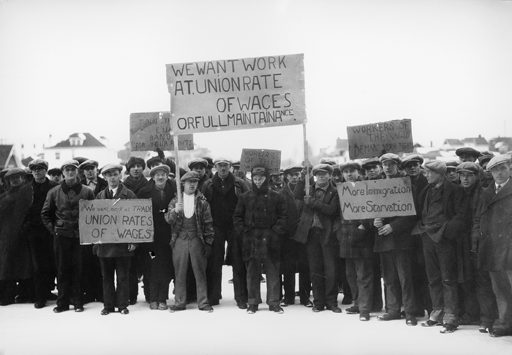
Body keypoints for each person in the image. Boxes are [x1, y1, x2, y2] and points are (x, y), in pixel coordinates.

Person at [417, 160, 471, 333]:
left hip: (444, 239)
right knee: (433, 278)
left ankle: (450, 317)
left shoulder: (455, 191)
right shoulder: (426, 190)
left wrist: (445, 233)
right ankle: (437, 313)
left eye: (428, 172)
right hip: (427, 237)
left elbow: (461, 217)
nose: (425, 175)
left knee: (448, 279)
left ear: (439, 174)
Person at [41, 160, 95, 313]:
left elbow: (94, 213)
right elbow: (45, 214)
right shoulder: (54, 192)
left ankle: (78, 301)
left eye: (73, 170)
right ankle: (62, 303)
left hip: (80, 236)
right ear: (63, 173)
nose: (70, 173)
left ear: (77, 172)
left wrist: (88, 231)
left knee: (78, 268)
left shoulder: (87, 191)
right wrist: (54, 229)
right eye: (67, 170)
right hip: (61, 236)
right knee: (62, 269)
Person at [233, 166, 287, 314]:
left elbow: (283, 216)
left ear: (266, 179)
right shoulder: (245, 197)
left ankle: (274, 302)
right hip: (251, 239)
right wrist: (244, 232)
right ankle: (253, 302)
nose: (257, 182)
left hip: (271, 239)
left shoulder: (277, 196)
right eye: (255, 179)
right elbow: (237, 217)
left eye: (261, 179)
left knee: (273, 272)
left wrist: (276, 232)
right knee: (252, 272)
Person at [374, 153, 418, 326]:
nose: (387, 167)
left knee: (405, 277)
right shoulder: (375, 185)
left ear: (397, 166)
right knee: (389, 277)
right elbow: (366, 207)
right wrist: (373, 220)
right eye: (384, 164)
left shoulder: (406, 185)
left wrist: (394, 226)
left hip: (401, 238)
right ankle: (392, 310)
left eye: (391, 164)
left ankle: (409, 312)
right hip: (383, 239)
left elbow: (412, 213)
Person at [202, 158, 249, 308]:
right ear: (215, 167)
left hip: (234, 226)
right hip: (215, 226)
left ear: (230, 167)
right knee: (215, 262)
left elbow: (248, 203)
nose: (223, 168)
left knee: (238, 261)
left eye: (225, 166)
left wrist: (242, 225)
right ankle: (214, 296)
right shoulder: (208, 184)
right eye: (220, 166)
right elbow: (203, 205)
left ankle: (241, 297)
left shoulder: (239, 183)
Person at [294, 163, 341, 313]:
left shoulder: (335, 192)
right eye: (318, 174)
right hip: (311, 234)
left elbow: (332, 210)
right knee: (315, 269)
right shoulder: (308, 189)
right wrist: (302, 176)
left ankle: (332, 302)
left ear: (330, 175)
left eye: (324, 173)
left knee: (331, 270)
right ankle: (318, 302)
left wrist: (313, 202)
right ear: (315, 175)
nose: (321, 176)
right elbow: (296, 195)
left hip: (328, 234)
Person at [457, 162, 498, 332]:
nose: (465, 179)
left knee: (483, 281)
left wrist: (477, 241)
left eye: (469, 175)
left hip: (478, 242)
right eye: (462, 175)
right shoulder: (459, 192)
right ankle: (471, 314)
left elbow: (480, 220)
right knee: (467, 279)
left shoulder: (483, 193)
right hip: (463, 243)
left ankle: (487, 318)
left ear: (477, 176)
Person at [166, 171, 214, 313]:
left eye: (195, 182)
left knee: (200, 271)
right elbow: (168, 220)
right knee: (179, 272)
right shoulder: (175, 201)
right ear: (183, 184)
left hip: (196, 239)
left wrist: (208, 243)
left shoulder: (202, 202)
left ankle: (203, 302)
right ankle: (180, 302)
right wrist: (175, 211)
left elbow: (208, 223)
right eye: (189, 182)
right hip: (179, 239)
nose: (192, 184)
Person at [475, 155, 512, 337]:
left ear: (509, 169)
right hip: (492, 249)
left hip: (509, 248)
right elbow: (479, 219)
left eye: (503, 168)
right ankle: (505, 323)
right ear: (490, 173)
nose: (499, 173)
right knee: (500, 289)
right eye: (495, 170)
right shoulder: (486, 193)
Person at [94, 164, 137, 315]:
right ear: (104, 177)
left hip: (123, 244)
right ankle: (108, 306)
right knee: (106, 277)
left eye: (115, 174)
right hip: (105, 244)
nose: (112, 177)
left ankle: (122, 305)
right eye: (109, 174)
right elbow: (94, 221)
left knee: (123, 276)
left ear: (120, 176)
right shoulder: (99, 196)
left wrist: (133, 240)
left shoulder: (129, 195)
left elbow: (135, 219)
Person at [337, 161, 376, 321]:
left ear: (358, 172)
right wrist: (338, 232)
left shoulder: (366, 187)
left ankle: (365, 309)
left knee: (363, 275)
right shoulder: (341, 190)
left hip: (362, 237)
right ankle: (357, 302)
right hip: (346, 236)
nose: (349, 174)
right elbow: (337, 214)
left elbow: (373, 208)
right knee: (350, 274)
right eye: (346, 172)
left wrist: (364, 226)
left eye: (352, 171)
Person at [18, 159, 59, 309]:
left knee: (53, 262)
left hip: (51, 230)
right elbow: (20, 212)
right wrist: (26, 226)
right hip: (34, 232)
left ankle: (49, 291)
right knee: (38, 265)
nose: (37, 171)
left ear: (45, 170)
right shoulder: (26, 189)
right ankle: (40, 296)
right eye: (34, 169)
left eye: (40, 169)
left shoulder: (55, 187)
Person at [137, 164, 176, 310]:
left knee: (165, 266)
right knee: (152, 265)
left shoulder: (174, 191)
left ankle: (162, 298)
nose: (160, 177)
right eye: (157, 175)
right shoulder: (143, 192)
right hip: (150, 240)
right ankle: (152, 297)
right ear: (152, 177)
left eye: (163, 174)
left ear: (167, 176)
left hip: (167, 238)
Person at [402, 154, 432, 318]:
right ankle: (417, 306)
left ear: (420, 166)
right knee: (411, 271)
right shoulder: (401, 184)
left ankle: (430, 306)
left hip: (422, 230)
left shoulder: (426, 182)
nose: (412, 168)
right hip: (407, 233)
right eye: (408, 166)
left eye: (415, 165)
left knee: (425, 270)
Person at [0, 169, 32, 306]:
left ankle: (26, 293)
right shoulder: (3, 196)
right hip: (7, 232)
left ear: (23, 178)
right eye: (12, 177)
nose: (15, 179)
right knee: (7, 262)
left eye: (18, 177)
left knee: (25, 261)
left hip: (24, 230)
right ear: (7, 180)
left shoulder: (28, 192)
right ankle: (8, 294)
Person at [279, 165, 308, 306]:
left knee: (304, 266)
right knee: (288, 267)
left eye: (297, 174)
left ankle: (305, 297)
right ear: (286, 177)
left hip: (303, 234)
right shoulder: (281, 193)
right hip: (288, 235)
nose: (295, 177)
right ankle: (288, 297)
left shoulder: (306, 190)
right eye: (292, 175)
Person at [122, 156, 148, 305]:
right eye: (133, 166)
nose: (136, 168)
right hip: (129, 233)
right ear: (128, 169)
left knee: (149, 260)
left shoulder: (149, 184)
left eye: (139, 165)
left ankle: (150, 294)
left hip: (146, 234)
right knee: (130, 265)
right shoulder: (123, 186)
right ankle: (131, 295)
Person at [79, 159, 106, 304]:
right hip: (86, 227)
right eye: (87, 169)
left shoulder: (105, 183)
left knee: (101, 260)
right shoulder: (79, 185)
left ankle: (101, 293)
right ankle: (89, 292)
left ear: (97, 169)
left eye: (92, 168)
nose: (90, 171)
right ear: (83, 171)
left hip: (104, 226)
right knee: (87, 260)